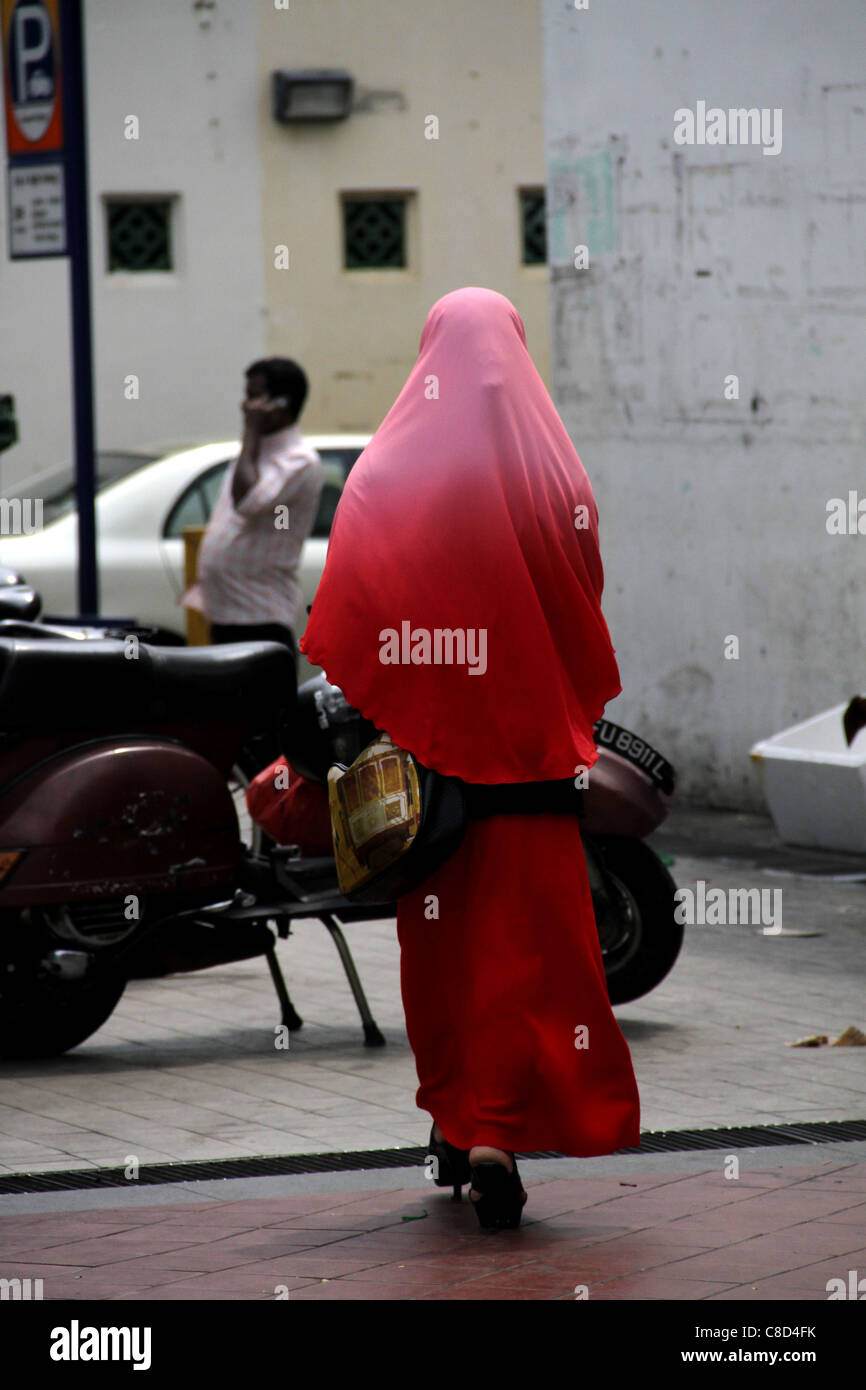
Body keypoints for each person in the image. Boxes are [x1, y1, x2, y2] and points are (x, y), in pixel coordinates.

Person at [299, 287, 640, 1230]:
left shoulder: (387, 477)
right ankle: (495, 1131)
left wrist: (409, 701)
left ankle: (461, 1126)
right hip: (535, 769)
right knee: (532, 961)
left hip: (433, 779)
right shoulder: (559, 477)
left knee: (444, 961)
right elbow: (584, 597)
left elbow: (353, 620)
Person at [182, 357, 322, 666]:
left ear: (281, 404)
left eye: (254, 396)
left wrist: (250, 434)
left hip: (260, 616)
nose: (245, 406)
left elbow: (248, 502)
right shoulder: (255, 453)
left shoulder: (298, 461)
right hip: (225, 615)